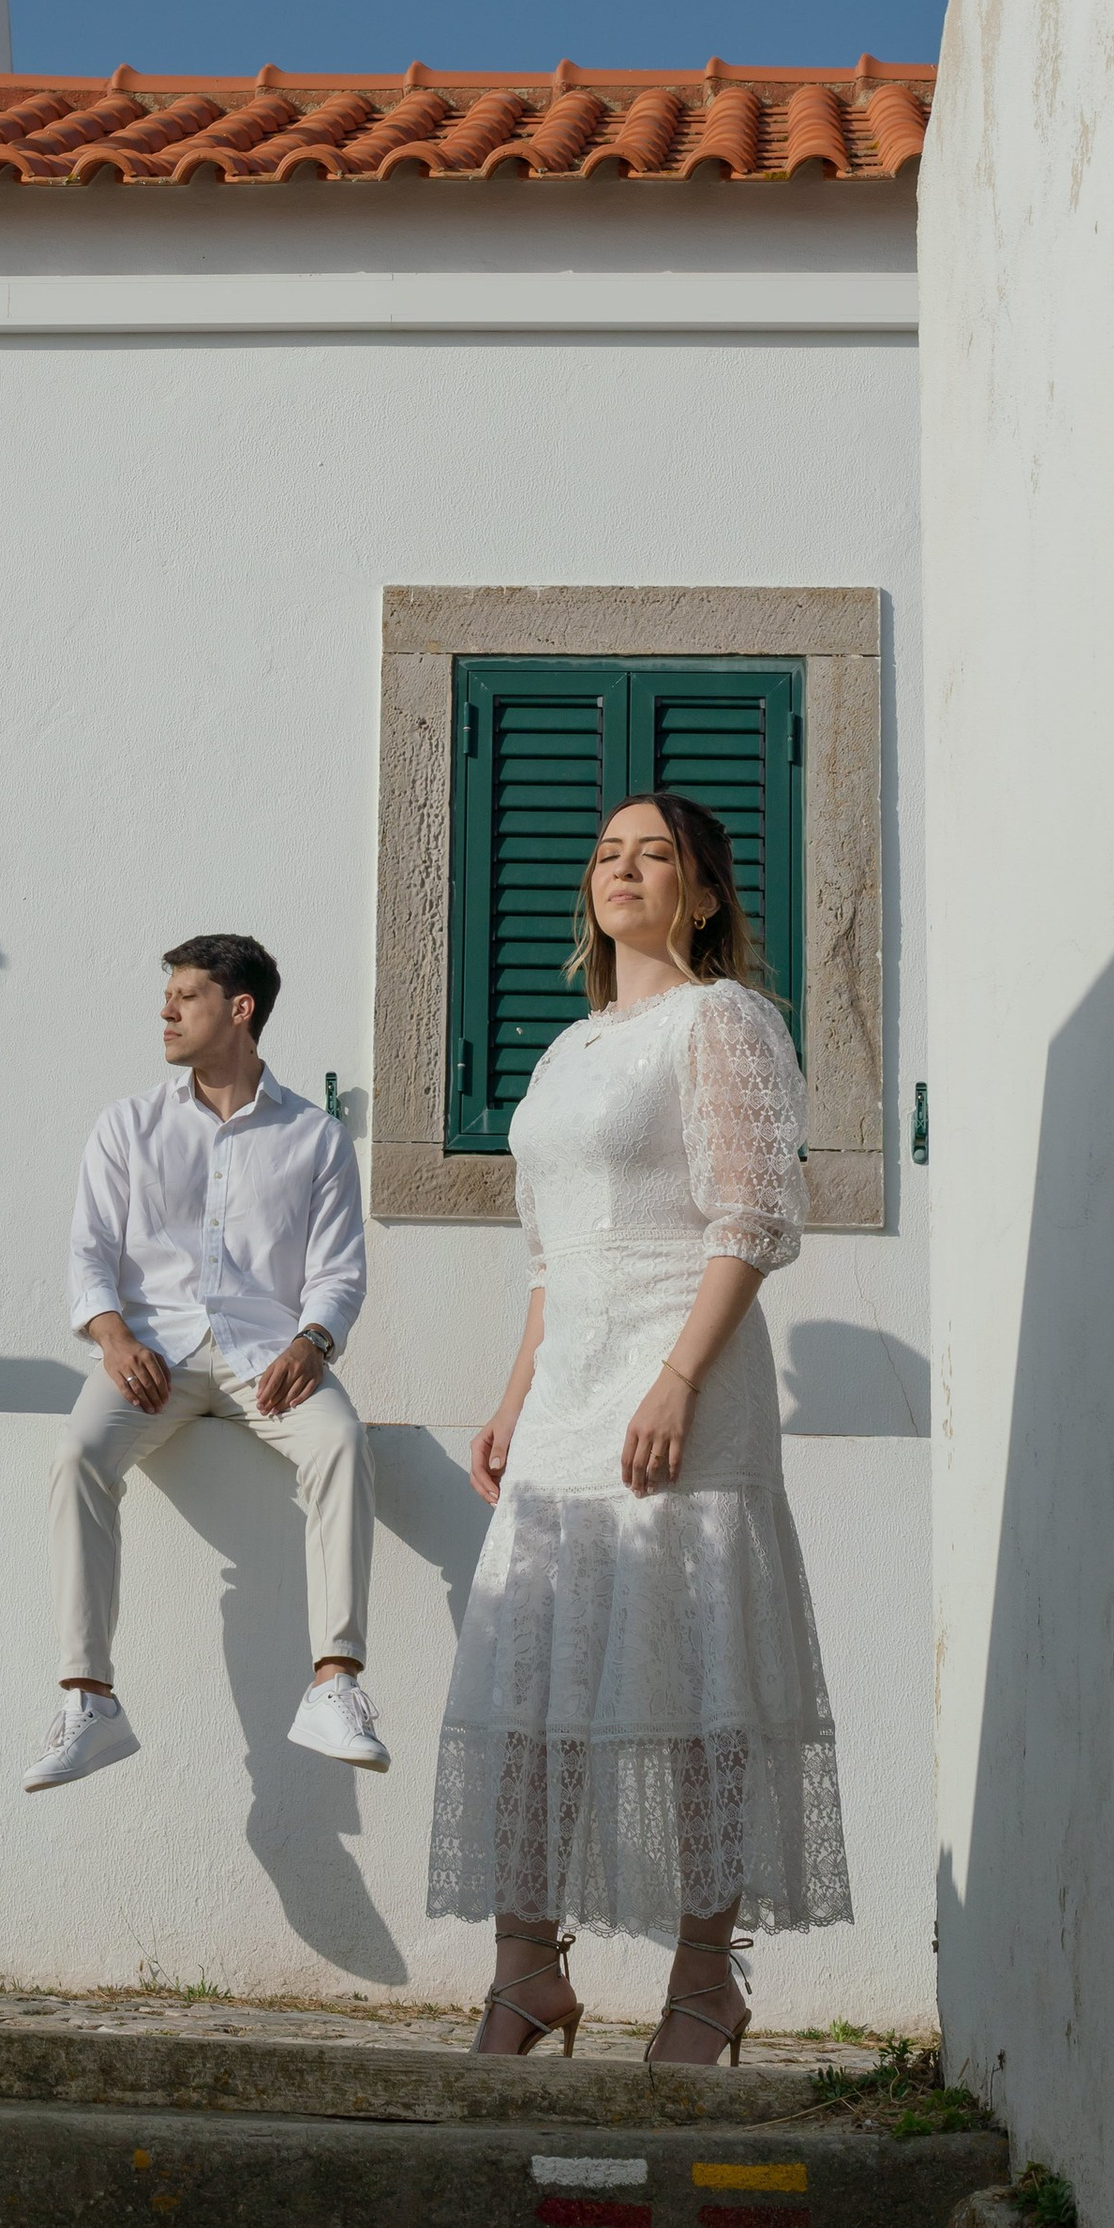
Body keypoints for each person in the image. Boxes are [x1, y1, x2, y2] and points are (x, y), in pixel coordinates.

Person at [429, 795, 852, 2061]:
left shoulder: (721, 1018)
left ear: (703, 894)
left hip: (683, 1380)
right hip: (567, 1392)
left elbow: (751, 1218)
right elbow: (549, 1255)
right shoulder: (567, 1049)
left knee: (697, 1683)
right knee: (528, 1677)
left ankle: (705, 1985)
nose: (622, 868)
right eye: (606, 852)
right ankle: (524, 1974)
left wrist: (674, 1378)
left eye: (654, 853)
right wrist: (513, 1396)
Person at [24, 933, 385, 1794]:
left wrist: (314, 1342)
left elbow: (338, 1272)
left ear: (240, 1009)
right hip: (151, 1356)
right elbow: (89, 1254)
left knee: (342, 1444)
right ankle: (89, 1700)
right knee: (77, 1456)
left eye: (186, 996)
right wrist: (113, 1338)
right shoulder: (127, 1125)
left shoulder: (316, 1137)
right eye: (170, 996)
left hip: (272, 1360)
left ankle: (336, 1683)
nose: (166, 1011)